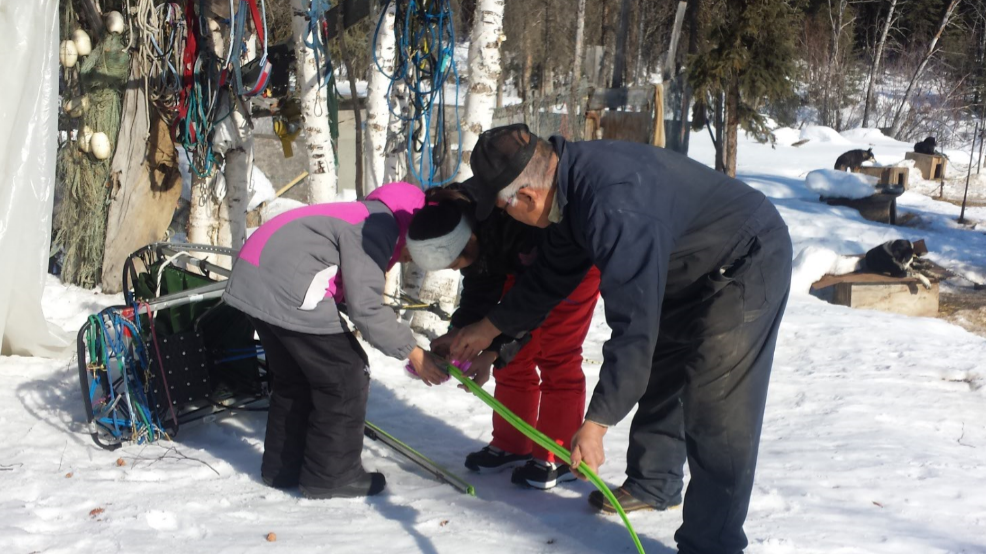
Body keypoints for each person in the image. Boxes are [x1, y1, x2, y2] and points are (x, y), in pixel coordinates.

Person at [450, 124, 792, 554]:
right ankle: (655, 482)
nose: (504, 217)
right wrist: (488, 330)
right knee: (664, 366)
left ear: (526, 198)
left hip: (745, 258)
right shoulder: (569, 186)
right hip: (689, 264)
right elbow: (550, 278)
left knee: (717, 409)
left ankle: (713, 545)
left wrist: (596, 424)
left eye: (502, 207)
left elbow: (633, 330)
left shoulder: (613, 208)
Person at [223, 182, 446, 500]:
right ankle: (333, 477)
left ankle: (282, 469)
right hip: (288, 287)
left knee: (295, 378)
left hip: (253, 278)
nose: (415, 258)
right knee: (346, 374)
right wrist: (413, 351)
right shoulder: (378, 226)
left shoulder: (366, 213)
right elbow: (365, 308)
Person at [404, 186, 600, 489]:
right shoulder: (464, 223)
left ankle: (557, 453)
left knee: (555, 352)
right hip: (521, 264)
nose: (456, 270)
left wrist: (492, 346)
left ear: (470, 240)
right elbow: (482, 281)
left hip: (567, 265)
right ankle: (513, 442)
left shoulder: (512, 219)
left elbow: (533, 304)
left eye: (455, 264)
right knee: (515, 357)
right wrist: (464, 331)